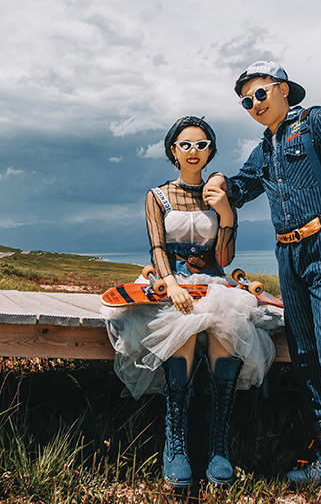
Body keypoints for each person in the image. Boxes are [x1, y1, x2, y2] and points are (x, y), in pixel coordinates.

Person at [206, 60, 321, 504]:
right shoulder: (265, 148)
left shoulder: (316, 120)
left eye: (260, 94)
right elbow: (243, 188)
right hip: (288, 255)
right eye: (245, 101)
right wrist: (217, 181)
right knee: (305, 355)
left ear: (283, 89)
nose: (253, 105)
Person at [102, 116, 280, 489]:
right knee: (180, 328)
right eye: (186, 145)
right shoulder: (158, 196)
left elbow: (226, 258)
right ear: (173, 151)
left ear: (211, 150)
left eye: (202, 145)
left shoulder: (219, 195)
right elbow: (157, 247)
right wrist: (171, 283)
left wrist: (228, 214)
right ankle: (176, 444)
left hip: (213, 280)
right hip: (172, 281)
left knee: (226, 326)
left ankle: (218, 444)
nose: (194, 151)